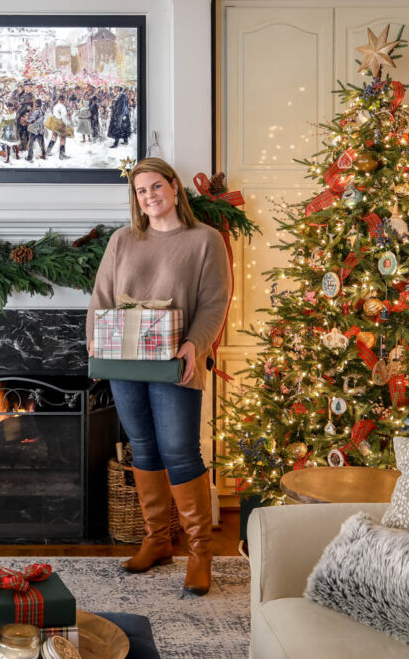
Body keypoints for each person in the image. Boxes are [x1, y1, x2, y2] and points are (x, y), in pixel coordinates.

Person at [86, 157, 231, 597]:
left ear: (174, 187)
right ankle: (157, 540)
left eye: (155, 187)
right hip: (124, 362)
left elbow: (215, 302)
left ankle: (200, 552)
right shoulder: (123, 240)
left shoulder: (204, 241)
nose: (149, 196)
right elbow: (102, 296)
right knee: (143, 447)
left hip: (176, 363)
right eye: (140, 191)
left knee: (180, 451)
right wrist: (95, 340)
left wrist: (195, 345)